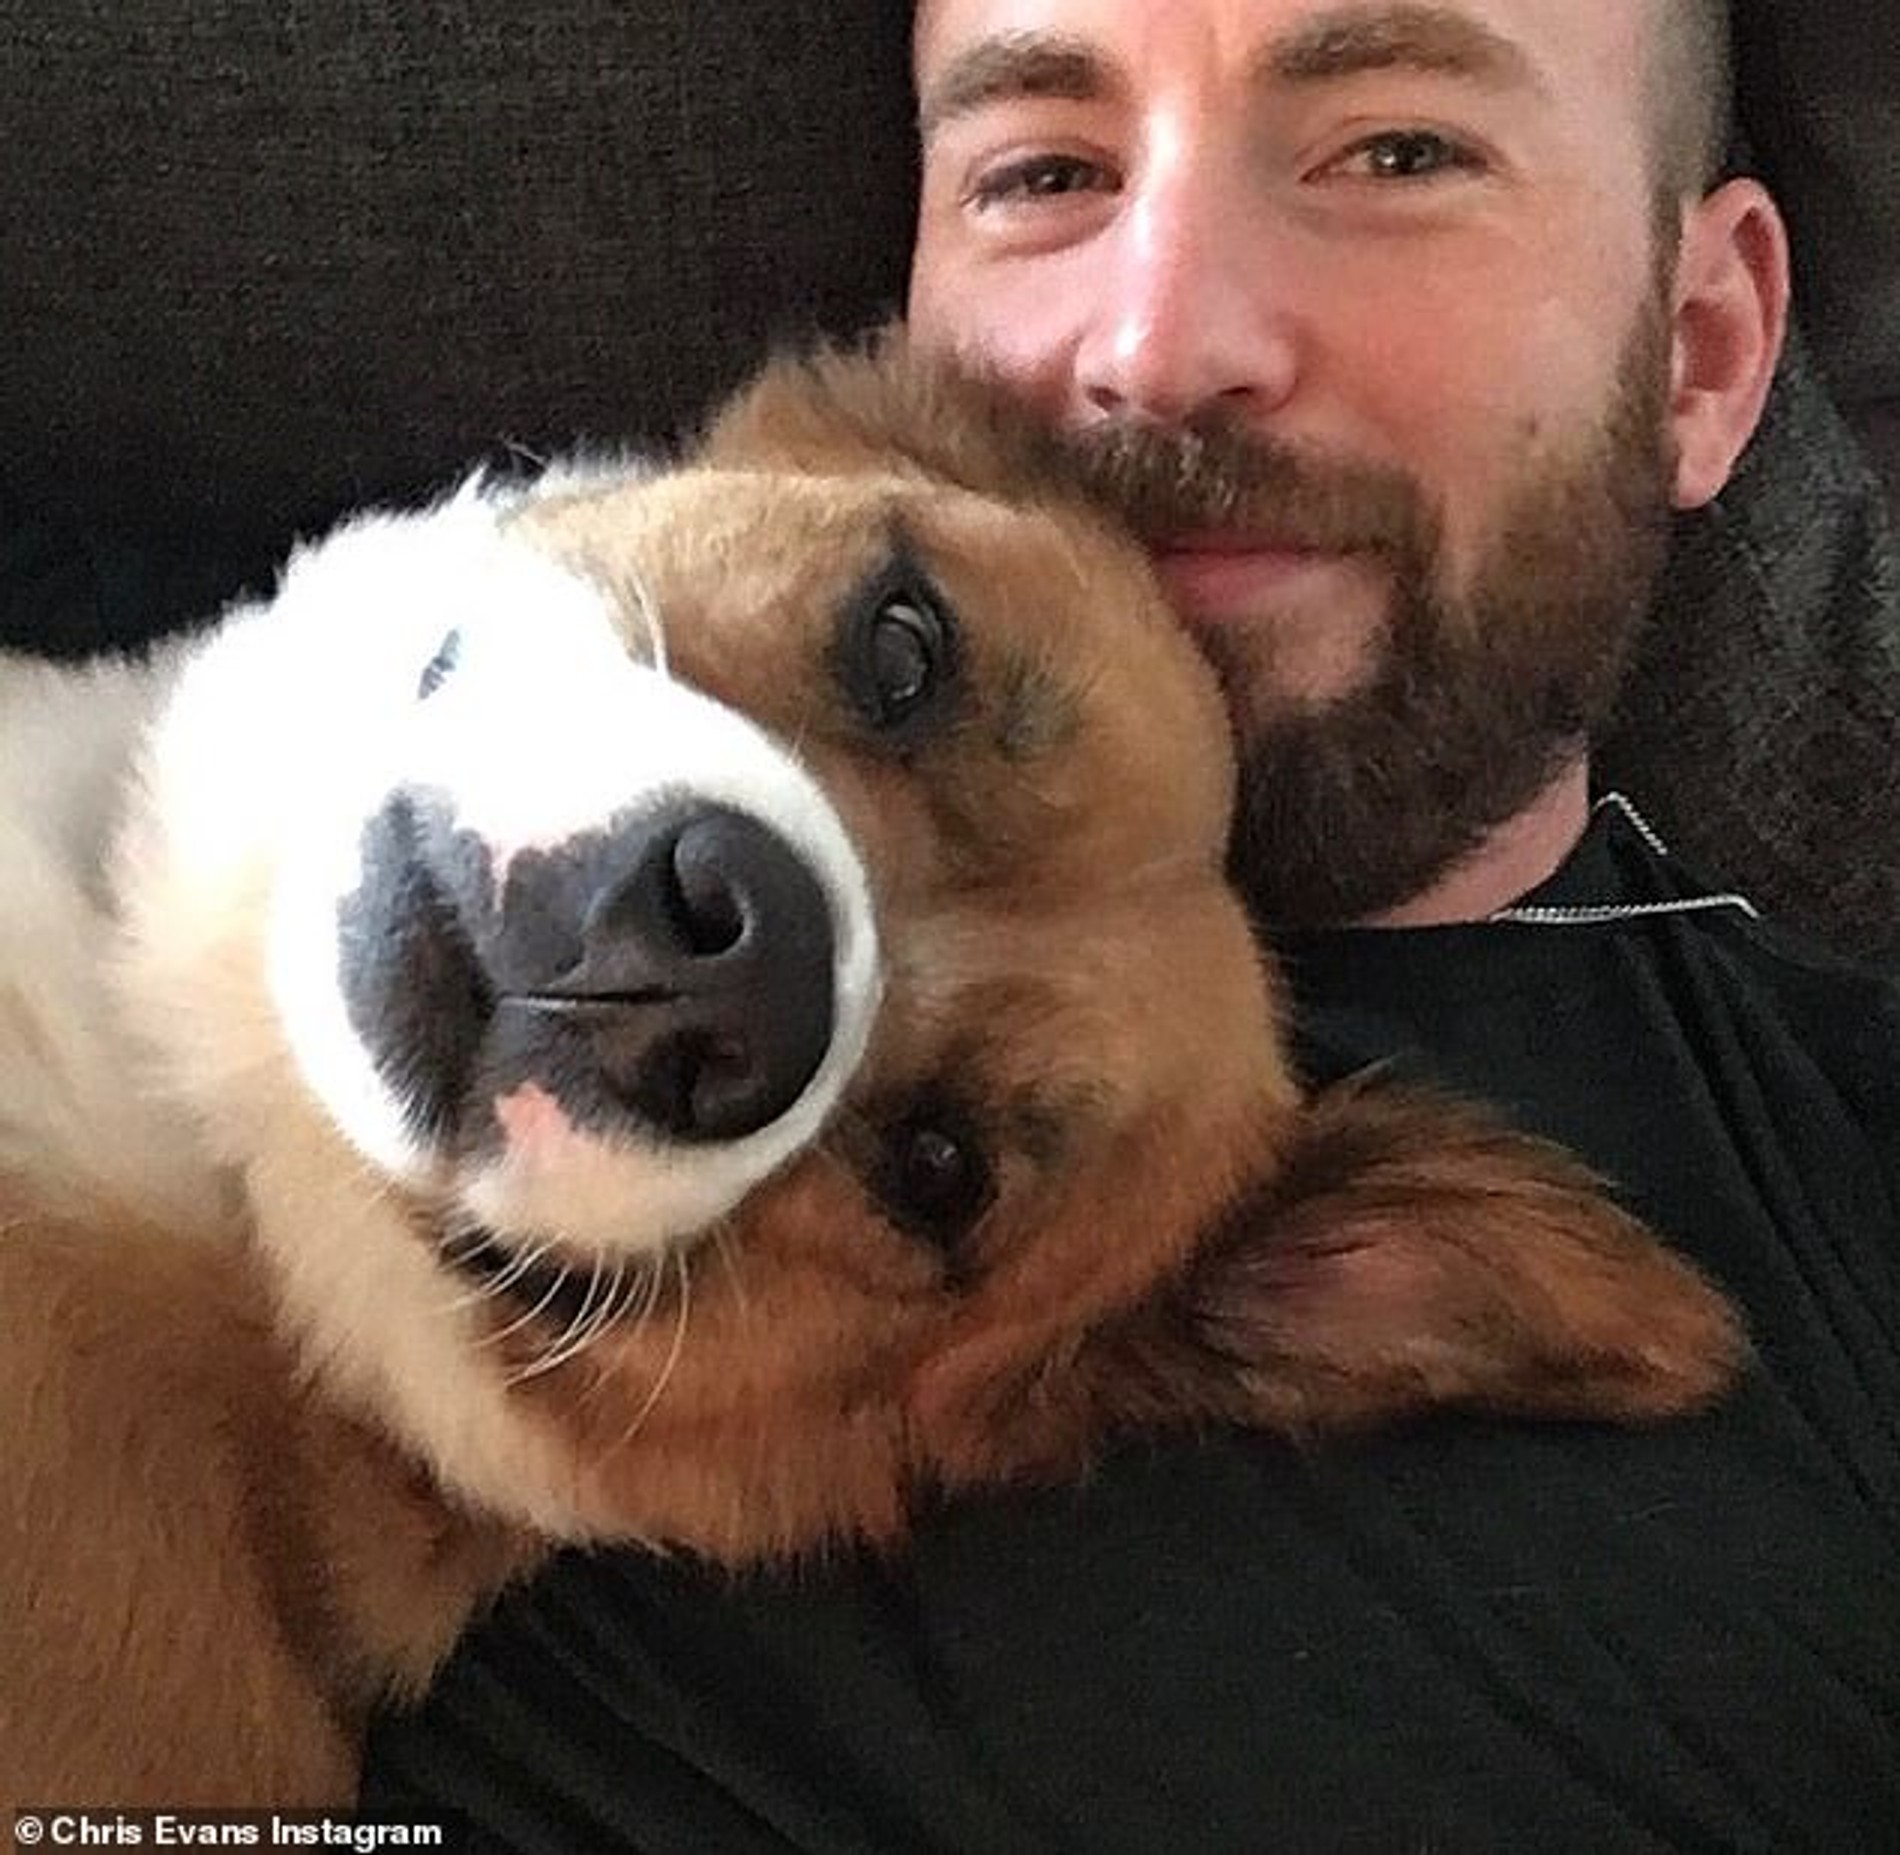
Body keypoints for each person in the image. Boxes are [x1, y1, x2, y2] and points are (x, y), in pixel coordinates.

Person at [359, 3, 1900, 1846]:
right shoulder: (375, 716)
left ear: (1704, 351)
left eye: (1397, 153)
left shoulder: (1850, 1176)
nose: (1159, 347)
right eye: (1045, 174)